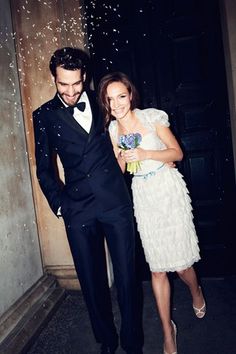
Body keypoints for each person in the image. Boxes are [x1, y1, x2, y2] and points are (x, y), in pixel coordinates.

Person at [33, 48, 144, 354]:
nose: (70, 91)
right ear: (54, 78)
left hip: (114, 201)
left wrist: (150, 157)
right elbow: (43, 167)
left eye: (75, 83)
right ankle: (106, 341)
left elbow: (131, 123)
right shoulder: (43, 115)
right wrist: (60, 205)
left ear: (85, 77)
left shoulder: (101, 98)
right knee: (92, 283)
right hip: (77, 208)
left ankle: (133, 342)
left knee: (127, 277)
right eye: (62, 84)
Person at [98, 72, 206, 354]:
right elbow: (120, 172)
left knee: (182, 265)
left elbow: (177, 153)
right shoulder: (112, 131)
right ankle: (167, 331)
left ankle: (196, 291)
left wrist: (146, 154)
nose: (117, 104)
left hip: (167, 189)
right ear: (106, 104)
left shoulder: (151, 118)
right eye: (110, 100)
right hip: (143, 195)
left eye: (121, 96)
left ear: (130, 94)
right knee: (157, 269)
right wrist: (121, 158)